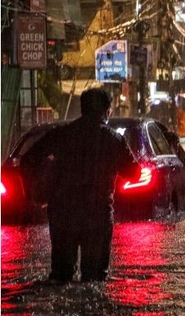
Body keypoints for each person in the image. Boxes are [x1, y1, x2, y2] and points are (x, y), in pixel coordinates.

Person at [21, 88, 141, 284]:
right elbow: (134, 172)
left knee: (60, 277)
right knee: (94, 279)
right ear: (107, 111)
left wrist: (34, 194)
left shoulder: (60, 134)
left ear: (82, 109)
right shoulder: (113, 139)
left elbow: (27, 160)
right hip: (97, 215)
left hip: (62, 214)